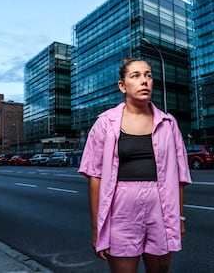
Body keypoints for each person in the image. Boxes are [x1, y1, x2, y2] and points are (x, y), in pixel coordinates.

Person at [78, 57, 192, 273]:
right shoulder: (105, 123)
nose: (144, 81)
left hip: (162, 209)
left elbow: (179, 178)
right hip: (120, 210)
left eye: (148, 75)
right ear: (122, 86)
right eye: (136, 76)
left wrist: (180, 218)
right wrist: (97, 229)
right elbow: (95, 178)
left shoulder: (168, 123)